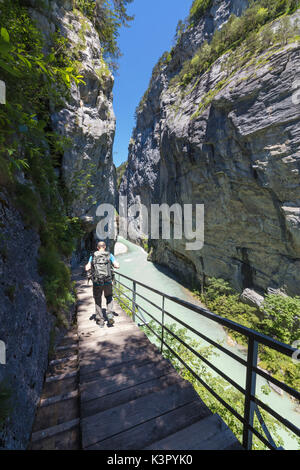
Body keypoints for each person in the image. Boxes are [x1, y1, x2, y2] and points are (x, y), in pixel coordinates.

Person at [85, 241, 120, 328]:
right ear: (104, 247)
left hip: (97, 282)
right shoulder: (109, 255)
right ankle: (110, 316)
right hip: (107, 281)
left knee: (98, 300)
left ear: (97, 247)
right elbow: (117, 265)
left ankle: (100, 321)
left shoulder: (93, 255)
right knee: (109, 298)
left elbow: (87, 267)